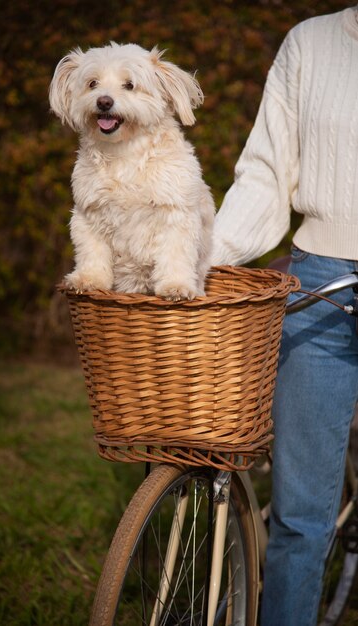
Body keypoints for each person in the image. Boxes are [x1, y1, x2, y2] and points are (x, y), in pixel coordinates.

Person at [211, 5, 358, 626]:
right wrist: (200, 262)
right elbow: (268, 172)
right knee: (300, 515)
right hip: (321, 280)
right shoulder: (311, 41)